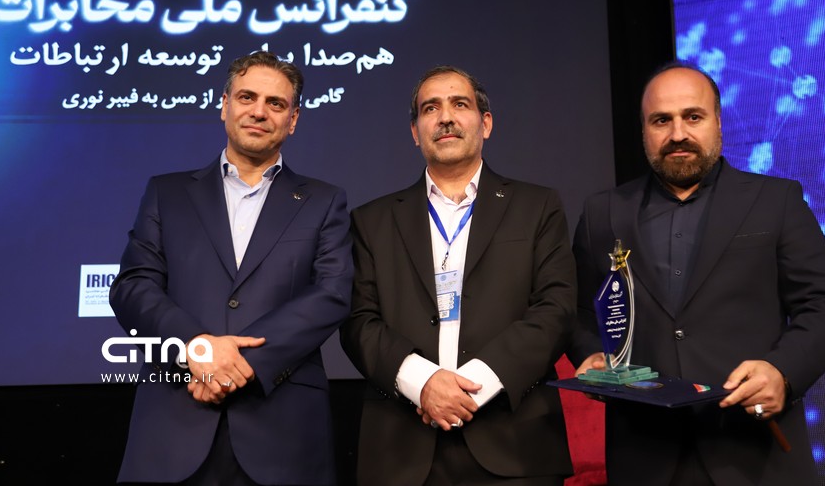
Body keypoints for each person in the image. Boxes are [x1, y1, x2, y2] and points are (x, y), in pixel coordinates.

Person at [570, 63, 825, 485]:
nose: (677, 133)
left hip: (754, 449)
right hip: (645, 455)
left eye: (693, 116)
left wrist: (783, 371)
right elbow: (578, 313)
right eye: (661, 120)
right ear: (644, 129)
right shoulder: (603, 213)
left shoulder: (776, 200)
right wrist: (593, 354)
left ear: (718, 122)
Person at [109, 50, 353, 485]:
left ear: (293, 119)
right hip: (173, 423)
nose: (259, 111)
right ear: (224, 105)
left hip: (282, 430)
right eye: (246, 97)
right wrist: (197, 348)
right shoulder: (167, 193)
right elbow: (133, 286)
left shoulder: (324, 200)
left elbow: (332, 294)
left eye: (275, 103)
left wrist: (241, 363)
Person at [341, 65, 577, 485]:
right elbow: (358, 321)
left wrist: (470, 387)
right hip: (403, 448)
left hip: (515, 443)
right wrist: (424, 383)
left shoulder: (537, 207)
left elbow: (555, 309)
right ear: (415, 132)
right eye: (430, 108)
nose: (446, 117)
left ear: (485, 124)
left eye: (460, 104)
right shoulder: (371, 220)